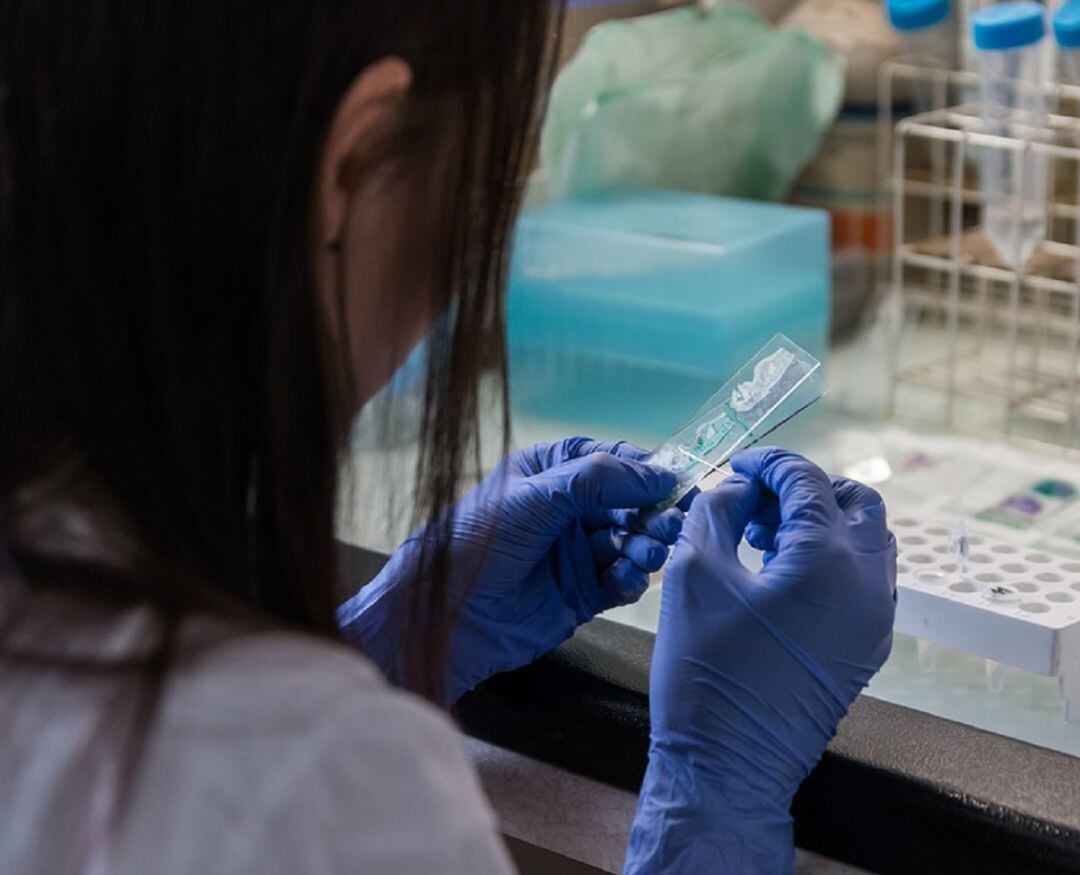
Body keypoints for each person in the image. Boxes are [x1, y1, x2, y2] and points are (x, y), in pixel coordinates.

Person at [0, 2, 897, 874]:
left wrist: (392, 642)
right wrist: (714, 797)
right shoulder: (313, 791)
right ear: (349, 168)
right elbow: (256, 786)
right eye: (478, 186)